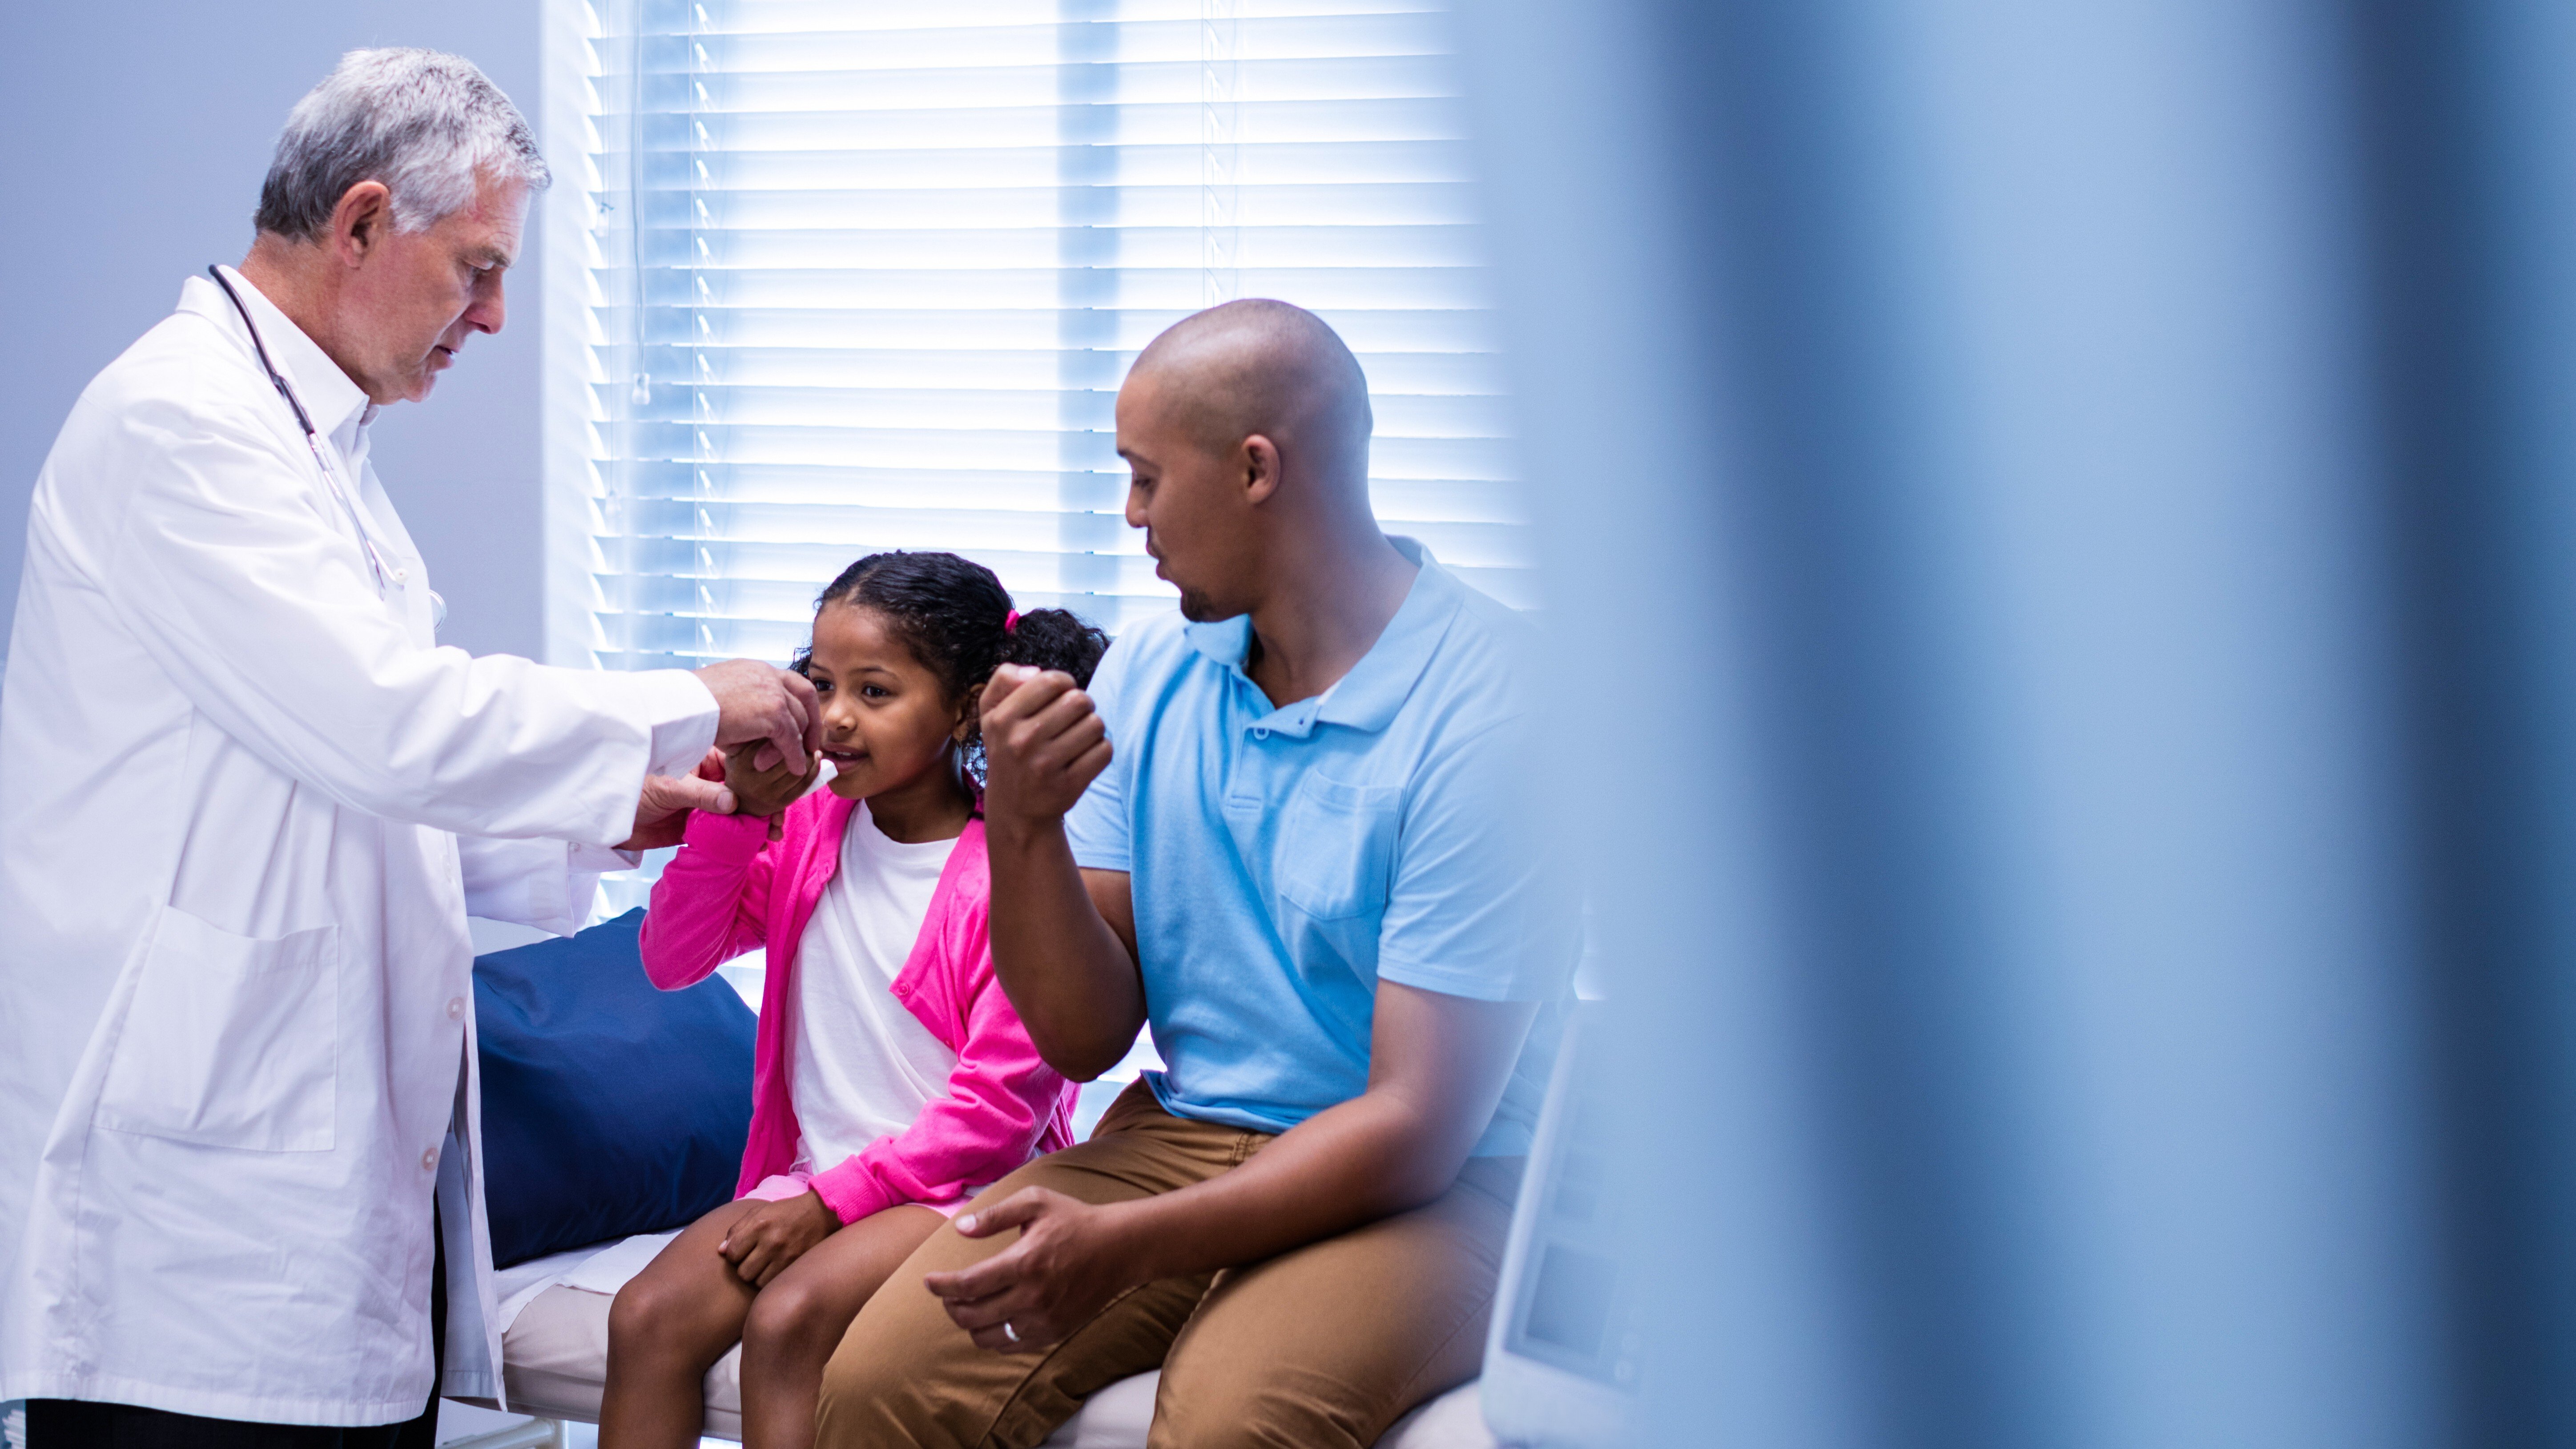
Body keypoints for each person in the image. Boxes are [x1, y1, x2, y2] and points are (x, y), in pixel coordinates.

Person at [0, 50, 819, 1447]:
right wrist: (692, 697)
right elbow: (388, 723)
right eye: (477, 269)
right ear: (364, 222)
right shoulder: (180, 426)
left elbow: (343, 782)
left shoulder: (321, 455)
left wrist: (609, 815)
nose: (495, 317)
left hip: (312, 1214)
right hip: (191, 1241)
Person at [810, 300, 1578, 1449]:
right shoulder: (1157, 669)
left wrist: (1130, 1242)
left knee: (1232, 1421)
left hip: (1448, 1176)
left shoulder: (1501, 708)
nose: (1132, 518)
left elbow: (1415, 1119)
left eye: (1146, 479)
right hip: (1188, 1129)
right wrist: (1021, 828)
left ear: (1255, 469)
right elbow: (1084, 1033)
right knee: (880, 1380)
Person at [603, 553, 1109, 1449]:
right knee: (646, 1318)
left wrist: (831, 1204)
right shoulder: (809, 828)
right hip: (818, 1181)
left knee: (789, 1320)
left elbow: (996, 1118)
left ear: (964, 708)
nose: (834, 718)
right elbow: (671, 960)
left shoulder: (1017, 876)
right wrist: (735, 814)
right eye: (822, 683)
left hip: (959, 1195)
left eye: (875, 693)